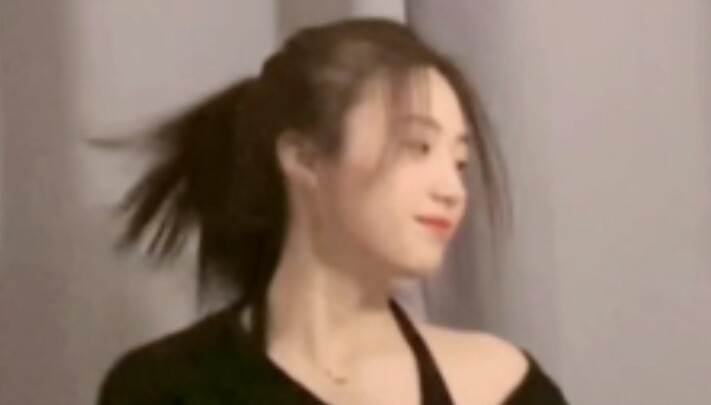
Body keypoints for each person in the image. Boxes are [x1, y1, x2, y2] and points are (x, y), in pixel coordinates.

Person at [97, 18, 568, 405]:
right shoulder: (167, 389)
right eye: (417, 147)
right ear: (304, 159)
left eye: (460, 162)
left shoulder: (504, 387)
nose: (452, 190)